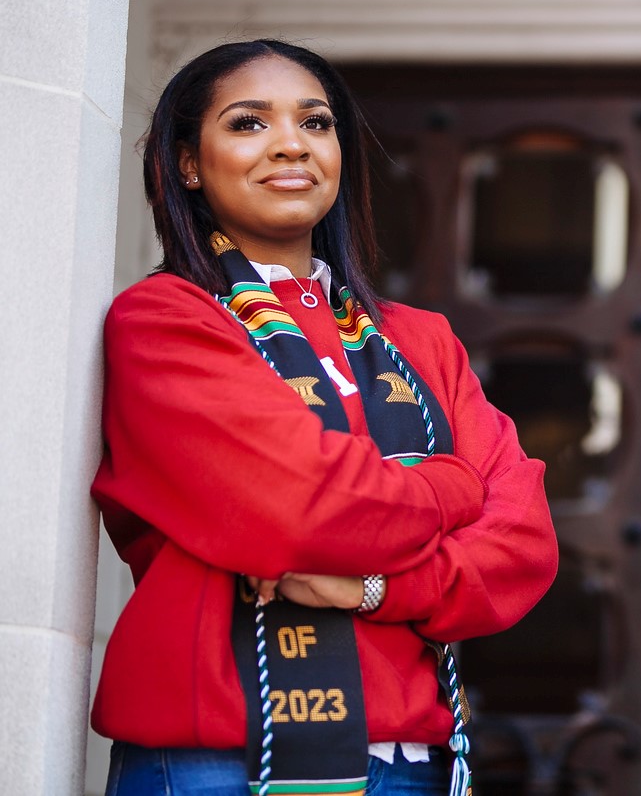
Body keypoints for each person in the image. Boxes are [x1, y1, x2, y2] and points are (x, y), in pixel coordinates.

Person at [91, 39, 558, 796]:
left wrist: (374, 587)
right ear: (186, 163)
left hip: (412, 766)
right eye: (248, 123)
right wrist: (448, 487)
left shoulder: (422, 340)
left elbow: (523, 548)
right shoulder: (165, 320)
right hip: (223, 762)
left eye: (315, 122)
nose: (290, 144)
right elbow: (302, 508)